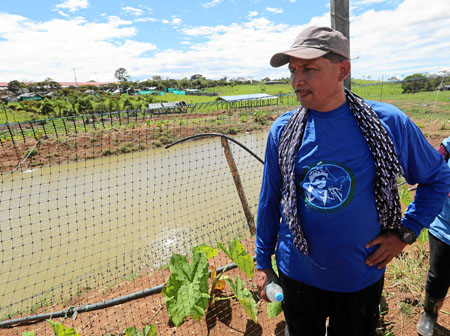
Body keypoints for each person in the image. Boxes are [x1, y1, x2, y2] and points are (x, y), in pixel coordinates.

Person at [254, 26, 450, 336]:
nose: (296, 80)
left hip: (360, 275)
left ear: (342, 69)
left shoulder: (388, 123)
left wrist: (406, 232)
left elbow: (437, 178)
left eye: (308, 68)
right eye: (293, 70)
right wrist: (262, 264)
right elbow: (269, 201)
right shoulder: (283, 130)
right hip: (297, 274)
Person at [417, 136, 450, 336]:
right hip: (444, 226)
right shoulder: (447, 148)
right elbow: (431, 176)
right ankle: (430, 314)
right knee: (439, 275)